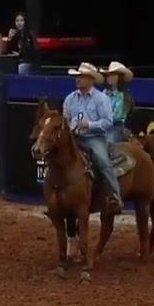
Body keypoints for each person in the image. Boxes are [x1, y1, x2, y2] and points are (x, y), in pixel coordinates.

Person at [63, 62, 124, 213]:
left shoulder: (101, 99)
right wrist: (70, 128)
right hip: (74, 137)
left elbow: (108, 122)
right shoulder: (70, 99)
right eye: (77, 76)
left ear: (91, 80)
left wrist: (89, 125)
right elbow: (65, 119)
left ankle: (115, 195)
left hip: (94, 138)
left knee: (103, 161)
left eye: (81, 77)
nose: (77, 79)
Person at [102, 61, 135, 144]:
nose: (109, 77)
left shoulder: (123, 96)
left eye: (112, 75)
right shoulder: (104, 92)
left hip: (116, 128)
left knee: (108, 142)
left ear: (119, 78)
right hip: (101, 126)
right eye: (108, 75)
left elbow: (116, 117)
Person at [8, 11, 39, 75]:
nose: (19, 23)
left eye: (21, 20)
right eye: (17, 21)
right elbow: (9, 51)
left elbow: (33, 52)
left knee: (21, 68)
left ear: (25, 22)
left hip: (28, 62)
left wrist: (19, 53)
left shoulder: (30, 34)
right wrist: (10, 39)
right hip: (15, 61)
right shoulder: (14, 34)